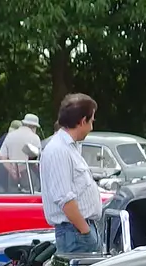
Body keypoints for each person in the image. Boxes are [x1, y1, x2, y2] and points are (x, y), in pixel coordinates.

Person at [39, 93, 105, 255]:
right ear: (83, 121)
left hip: (77, 231)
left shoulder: (68, 148)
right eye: (91, 121)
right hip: (75, 233)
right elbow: (64, 198)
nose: (92, 127)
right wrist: (85, 231)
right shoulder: (58, 150)